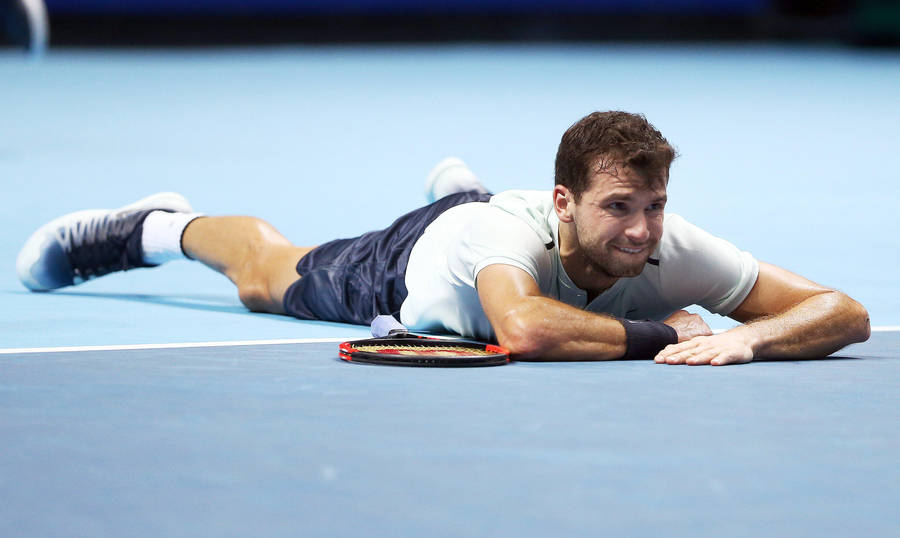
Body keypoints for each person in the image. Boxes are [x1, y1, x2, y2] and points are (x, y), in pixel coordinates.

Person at [16, 111, 871, 365]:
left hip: (491, 239)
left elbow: (845, 311)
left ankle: (461, 187)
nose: (642, 230)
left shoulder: (665, 239)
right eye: (619, 208)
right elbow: (526, 329)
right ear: (565, 202)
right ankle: (157, 226)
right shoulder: (498, 236)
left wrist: (749, 338)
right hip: (414, 266)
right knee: (264, 277)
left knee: (497, 244)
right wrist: (666, 333)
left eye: (653, 206)